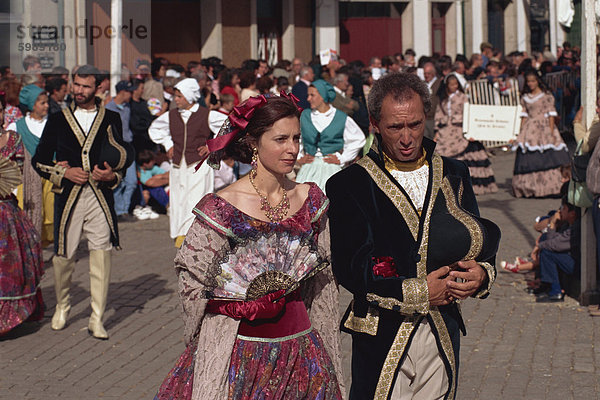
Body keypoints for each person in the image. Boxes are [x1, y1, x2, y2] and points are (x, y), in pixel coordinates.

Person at [154, 94, 344, 399]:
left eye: (296, 138)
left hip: (302, 350)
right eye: (281, 139)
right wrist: (233, 306)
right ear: (253, 142)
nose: (293, 148)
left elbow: (322, 281)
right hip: (240, 352)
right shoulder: (223, 207)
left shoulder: (311, 200)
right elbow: (192, 283)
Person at [327, 73, 500, 399]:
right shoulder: (350, 184)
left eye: (415, 125)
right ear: (375, 124)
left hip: (442, 326)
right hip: (383, 332)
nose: (407, 137)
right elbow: (352, 266)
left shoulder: (455, 173)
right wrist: (419, 291)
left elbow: (474, 240)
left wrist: (482, 274)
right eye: (395, 127)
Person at [32, 64, 133, 340]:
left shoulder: (111, 118)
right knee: (64, 257)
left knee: (101, 253)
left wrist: (112, 174)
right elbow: (38, 160)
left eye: (85, 86)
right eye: (76, 84)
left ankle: (96, 317)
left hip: (100, 196)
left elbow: (122, 154)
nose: (79, 90)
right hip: (68, 197)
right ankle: (63, 306)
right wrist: (64, 171)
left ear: (98, 87)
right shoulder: (58, 118)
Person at [148, 78, 224, 248]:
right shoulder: (172, 116)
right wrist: (168, 144)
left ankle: (196, 239)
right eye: (176, 96)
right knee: (178, 201)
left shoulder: (206, 115)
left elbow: (230, 127)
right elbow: (154, 129)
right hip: (178, 166)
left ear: (190, 96)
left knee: (196, 201)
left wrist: (211, 145)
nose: (176, 99)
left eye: (179, 96)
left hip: (198, 166)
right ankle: (181, 238)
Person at [0, 95, 45, 335]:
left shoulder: (14, 139)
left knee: (10, 267)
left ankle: (9, 318)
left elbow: (16, 175)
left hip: (6, 213)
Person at [296, 79, 365, 192]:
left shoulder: (341, 117)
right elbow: (296, 138)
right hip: (309, 168)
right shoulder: (304, 116)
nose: (308, 99)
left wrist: (343, 158)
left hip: (332, 168)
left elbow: (358, 139)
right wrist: (299, 157)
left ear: (323, 95)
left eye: (312, 95)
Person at [433, 74, 498, 194]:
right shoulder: (443, 100)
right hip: (446, 131)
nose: (454, 87)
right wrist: (437, 131)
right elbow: (439, 115)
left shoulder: (463, 97)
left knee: (467, 155)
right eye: (451, 85)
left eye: (455, 84)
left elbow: (468, 113)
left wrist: (460, 121)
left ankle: (471, 186)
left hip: (460, 129)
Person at [7, 85, 55, 247]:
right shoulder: (18, 127)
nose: (46, 106)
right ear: (32, 104)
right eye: (42, 103)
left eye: (47, 102)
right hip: (28, 179)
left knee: (51, 211)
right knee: (30, 213)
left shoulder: (53, 124)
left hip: (50, 177)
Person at [512, 70, 570, 198]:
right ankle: (529, 188)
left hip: (543, 127)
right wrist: (520, 132)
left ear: (537, 81)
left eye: (533, 81)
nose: (531, 84)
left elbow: (551, 115)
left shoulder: (546, 96)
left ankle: (550, 187)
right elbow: (524, 116)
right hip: (530, 128)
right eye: (529, 82)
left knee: (548, 156)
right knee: (529, 156)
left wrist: (550, 131)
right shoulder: (525, 97)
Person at [534, 197, 581, 302]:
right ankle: (546, 284)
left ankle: (556, 291)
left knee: (547, 253)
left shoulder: (575, 229)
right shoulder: (567, 225)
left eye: (563, 209)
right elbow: (551, 240)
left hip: (577, 265)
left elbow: (555, 245)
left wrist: (538, 246)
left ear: (572, 213)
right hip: (568, 257)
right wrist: (553, 224)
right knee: (544, 240)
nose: (560, 212)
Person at [106, 80, 138, 222]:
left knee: (131, 181)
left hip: (128, 147)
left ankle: (124, 209)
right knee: (118, 181)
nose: (131, 95)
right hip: (115, 150)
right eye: (129, 92)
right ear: (122, 92)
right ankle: (119, 211)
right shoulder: (109, 108)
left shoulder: (127, 107)